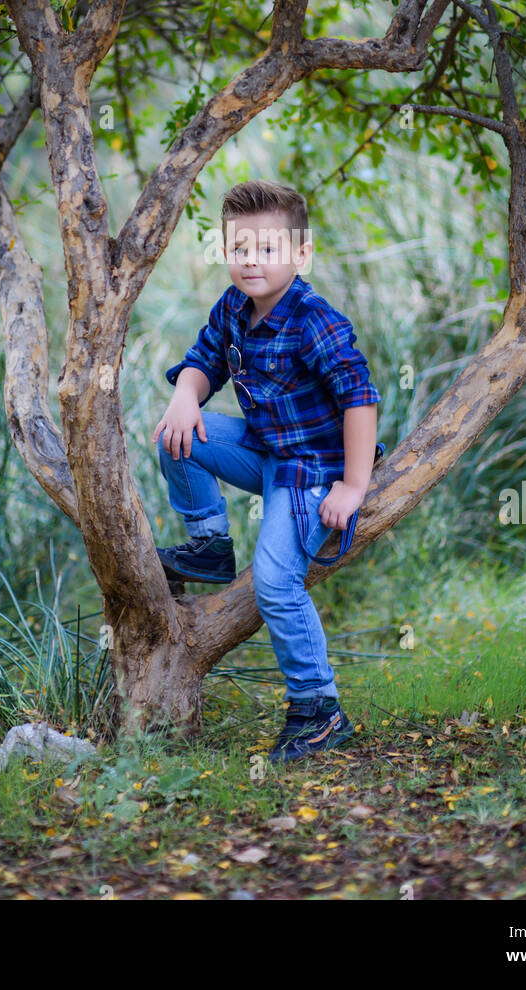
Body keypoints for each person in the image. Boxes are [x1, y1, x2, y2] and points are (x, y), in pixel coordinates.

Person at [152, 179, 385, 764]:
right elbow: (204, 360)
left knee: (277, 581)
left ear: (300, 255)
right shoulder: (233, 307)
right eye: (239, 248)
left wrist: (353, 486)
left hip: (313, 468)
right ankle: (209, 543)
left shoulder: (314, 320)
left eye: (267, 248)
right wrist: (186, 393)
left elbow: (360, 397)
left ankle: (319, 709)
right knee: (177, 437)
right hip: (265, 447)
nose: (251, 260)